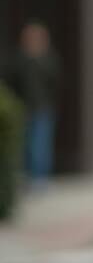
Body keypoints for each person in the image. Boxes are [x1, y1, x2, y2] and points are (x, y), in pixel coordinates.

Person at [7, 22, 61, 192]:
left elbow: (55, 82)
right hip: (24, 108)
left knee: (41, 145)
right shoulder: (20, 59)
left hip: (43, 108)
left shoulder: (48, 59)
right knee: (25, 145)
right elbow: (12, 81)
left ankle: (40, 178)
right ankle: (28, 177)